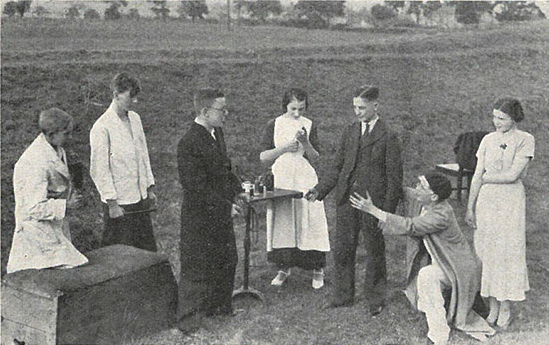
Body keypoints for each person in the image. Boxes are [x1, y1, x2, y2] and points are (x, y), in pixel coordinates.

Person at [350, 172, 496, 345]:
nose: (416, 189)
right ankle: (442, 309)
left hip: (458, 268)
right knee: (425, 286)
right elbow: (403, 191)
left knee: (427, 277)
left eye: (421, 186)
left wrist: (372, 210)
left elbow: (410, 226)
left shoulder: (441, 215)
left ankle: (439, 335)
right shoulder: (425, 200)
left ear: (433, 196)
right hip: (444, 262)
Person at [305, 85, 403, 315]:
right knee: (343, 249)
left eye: (361, 107)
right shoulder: (350, 132)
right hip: (346, 200)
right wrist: (320, 190)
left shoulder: (389, 135)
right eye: (354, 107)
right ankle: (342, 295)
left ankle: (375, 297)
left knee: (374, 250)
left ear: (375, 106)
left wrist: (385, 213)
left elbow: (394, 178)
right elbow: (338, 166)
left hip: (372, 204)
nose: (357, 112)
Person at [177, 88, 244, 334]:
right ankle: (189, 321)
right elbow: (196, 188)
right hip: (200, 218)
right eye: (221, 109)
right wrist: (226, 208)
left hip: (221, 214)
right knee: (197, 267)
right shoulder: (189, 143)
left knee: (226, 260)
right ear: (205, 112)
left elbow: (224, 169)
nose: (226, 113)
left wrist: (238, 190)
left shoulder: (217, 133)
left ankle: (220, 308)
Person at [465, 97, 535, 330]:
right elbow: (476, 174)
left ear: (514, 118)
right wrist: (470, 206)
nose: (497, 122)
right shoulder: (487, 140)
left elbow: (512, 175)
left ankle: (505, 305)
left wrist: (486, 177)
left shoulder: (525, 140)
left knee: (506, 251)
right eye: (494, 117)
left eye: (502, 118)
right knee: (486, 250)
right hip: (487, 201)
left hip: (510, 201)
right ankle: (492, 304)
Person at [259, 88, 329, 289]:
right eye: (293, 109)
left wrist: (305, 142)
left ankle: (317, 268)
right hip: (281, 175)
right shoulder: (274, 124)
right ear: (285, 106)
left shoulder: (309, 125)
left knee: (309, 216)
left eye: (301, 108)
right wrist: (284, 148)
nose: (297, 113)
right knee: (284, 219)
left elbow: (316, 157)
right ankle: (284, 267)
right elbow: (263, 157)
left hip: (303, 175)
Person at [7, 108, 88, 273]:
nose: (70, 137)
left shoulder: (56, 149)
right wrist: (66, 205)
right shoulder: (34, 162)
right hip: (35, 233)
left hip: (53, 225)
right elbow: (34, 208)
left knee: (73, 267)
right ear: (51, 135)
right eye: (66, 134)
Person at [90, 72, 158, 252]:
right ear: (116, 95)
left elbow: (143, 155)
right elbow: (99, 170)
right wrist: (112, 203)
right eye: (130, 96)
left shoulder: (135, 119)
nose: (134, 101)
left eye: (136, 96)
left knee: (146, 253)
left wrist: (149, 188)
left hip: (140, 199)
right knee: (121, 256)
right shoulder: (102, 127)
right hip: (120, 205)